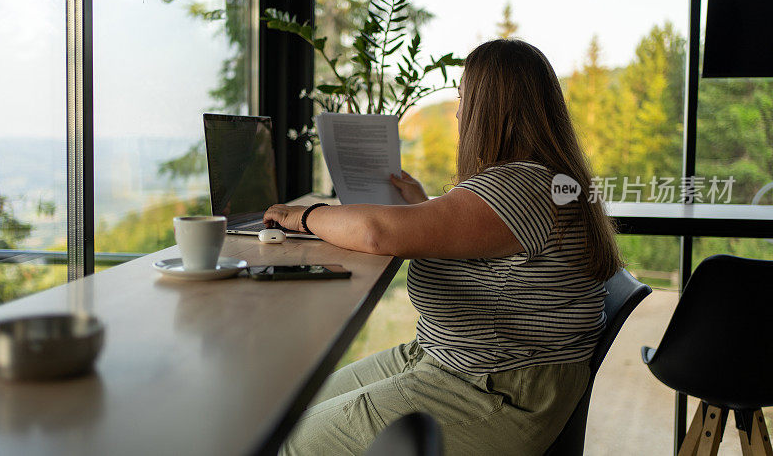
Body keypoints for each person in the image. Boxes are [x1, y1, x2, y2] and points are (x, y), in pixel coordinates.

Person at [264, 38, 624, 455]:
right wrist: (422, 205)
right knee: (290, 411)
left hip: (495, 388)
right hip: (455, 360)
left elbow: (376, 233)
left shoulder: (524, 185)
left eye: (464, 97)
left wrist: (302, 217)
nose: (458, 111)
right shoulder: (541, 180)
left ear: (490, 108)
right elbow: (487, 244)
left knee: (290, 443)